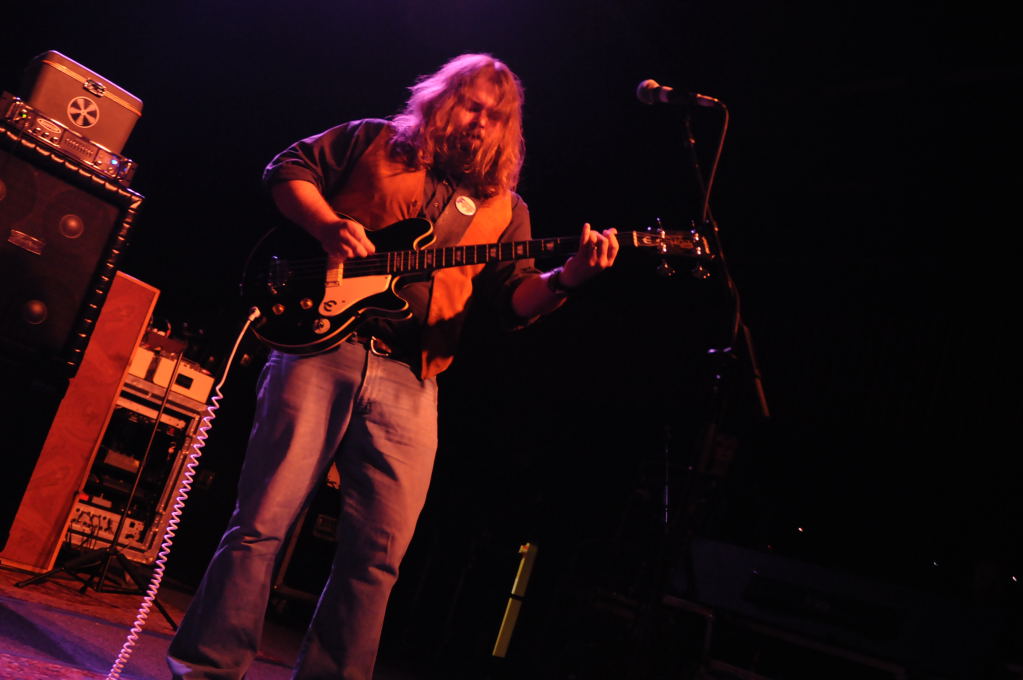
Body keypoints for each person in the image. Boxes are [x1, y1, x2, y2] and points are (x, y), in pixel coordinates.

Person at [167, 53, 619, 680]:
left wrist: (568, 278)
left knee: (377, 558)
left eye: (494, 116)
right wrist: (328, 225)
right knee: (261, 523)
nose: (478, 122)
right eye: (470, 105)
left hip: (413, 377)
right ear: (440, 100)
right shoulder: (374, 142)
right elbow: (287, 169)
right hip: (320, 349)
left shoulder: (505, 209)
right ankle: (207, 670)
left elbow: (514, 300)